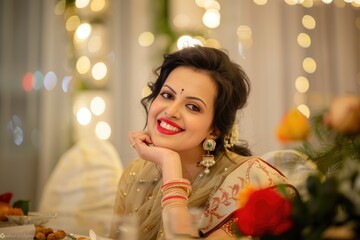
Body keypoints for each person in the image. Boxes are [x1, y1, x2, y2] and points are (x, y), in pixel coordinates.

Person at [111, 45, 293, 239]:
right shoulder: (136, 174)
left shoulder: (252, 184)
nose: (171, 111)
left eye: (193, 107)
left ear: (215, 130)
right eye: (167, 95)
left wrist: (171, 166)